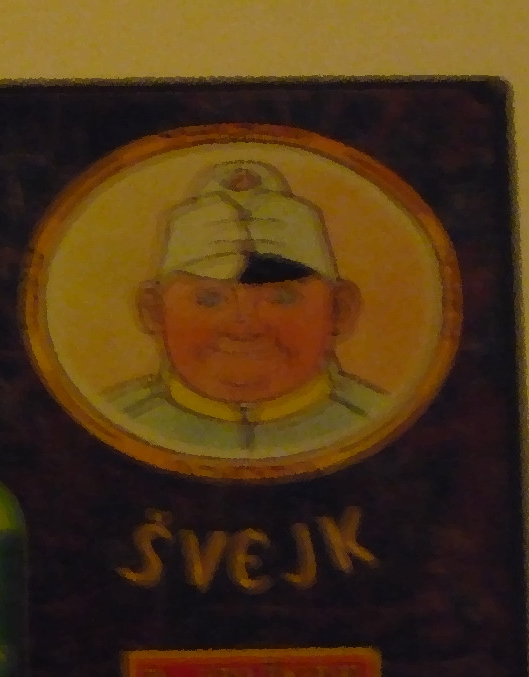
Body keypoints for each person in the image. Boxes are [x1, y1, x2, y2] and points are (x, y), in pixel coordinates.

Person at [104, 160, 386, 457]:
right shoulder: (115, 421)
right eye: (210, 299)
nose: (244, 327)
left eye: (281, 299)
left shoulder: (378, 422)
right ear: (153, 310)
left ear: (340, 309)